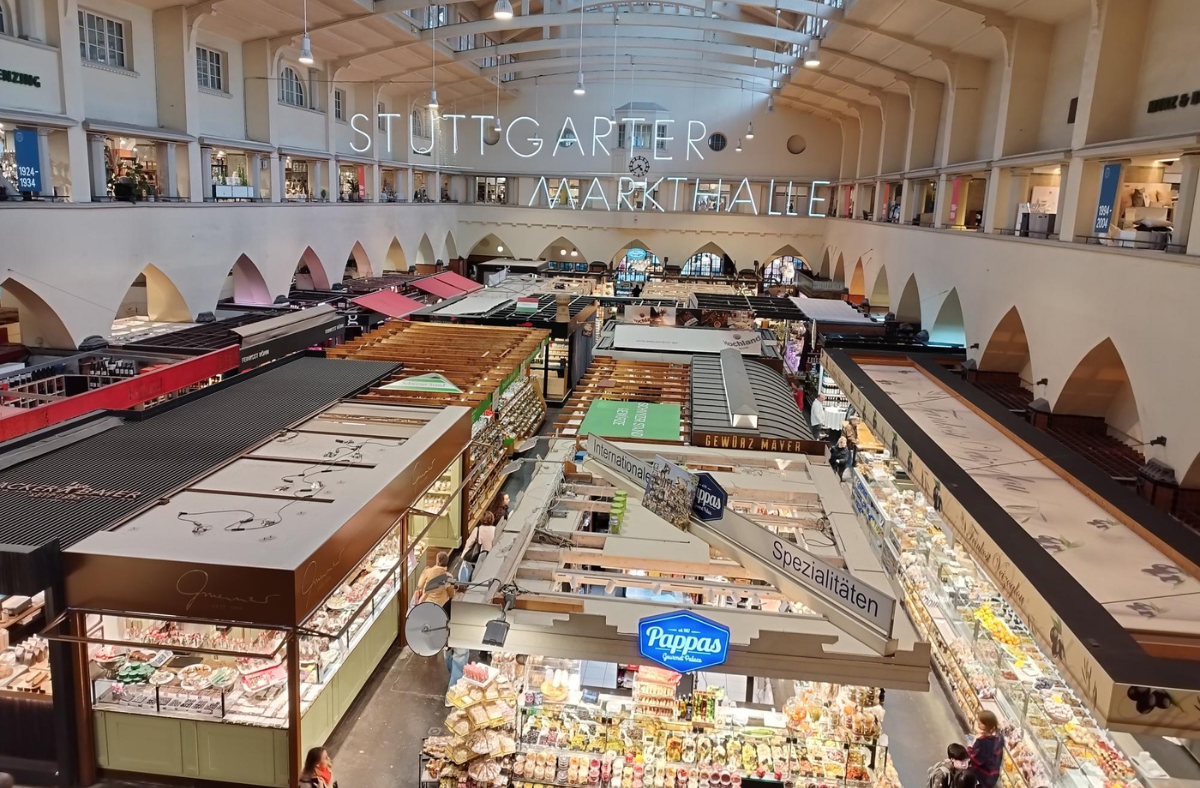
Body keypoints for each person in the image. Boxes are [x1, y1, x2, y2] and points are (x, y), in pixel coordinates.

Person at [967, 710, 1005, 788]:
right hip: (993, 774)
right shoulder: (999, 738)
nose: (978, 723)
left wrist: (969, 747)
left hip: (982, 776)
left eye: (980, 723)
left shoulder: (982, 742)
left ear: (986, 725)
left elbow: (977, 760)